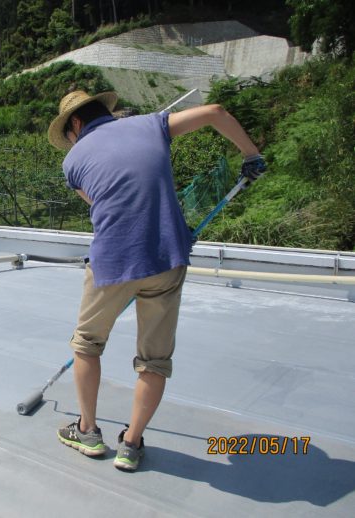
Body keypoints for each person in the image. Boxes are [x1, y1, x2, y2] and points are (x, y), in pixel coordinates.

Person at [47, 90, 266, 472]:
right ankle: (131, 445)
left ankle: (88, 432)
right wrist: (251, 155)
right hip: (166, 257)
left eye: (69, 134)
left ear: (76, 123)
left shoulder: (72, 161)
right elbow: (215, 112)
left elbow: (103, 204)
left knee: (87, 345)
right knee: (154, 361)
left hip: (112, 263)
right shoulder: (151, 124)